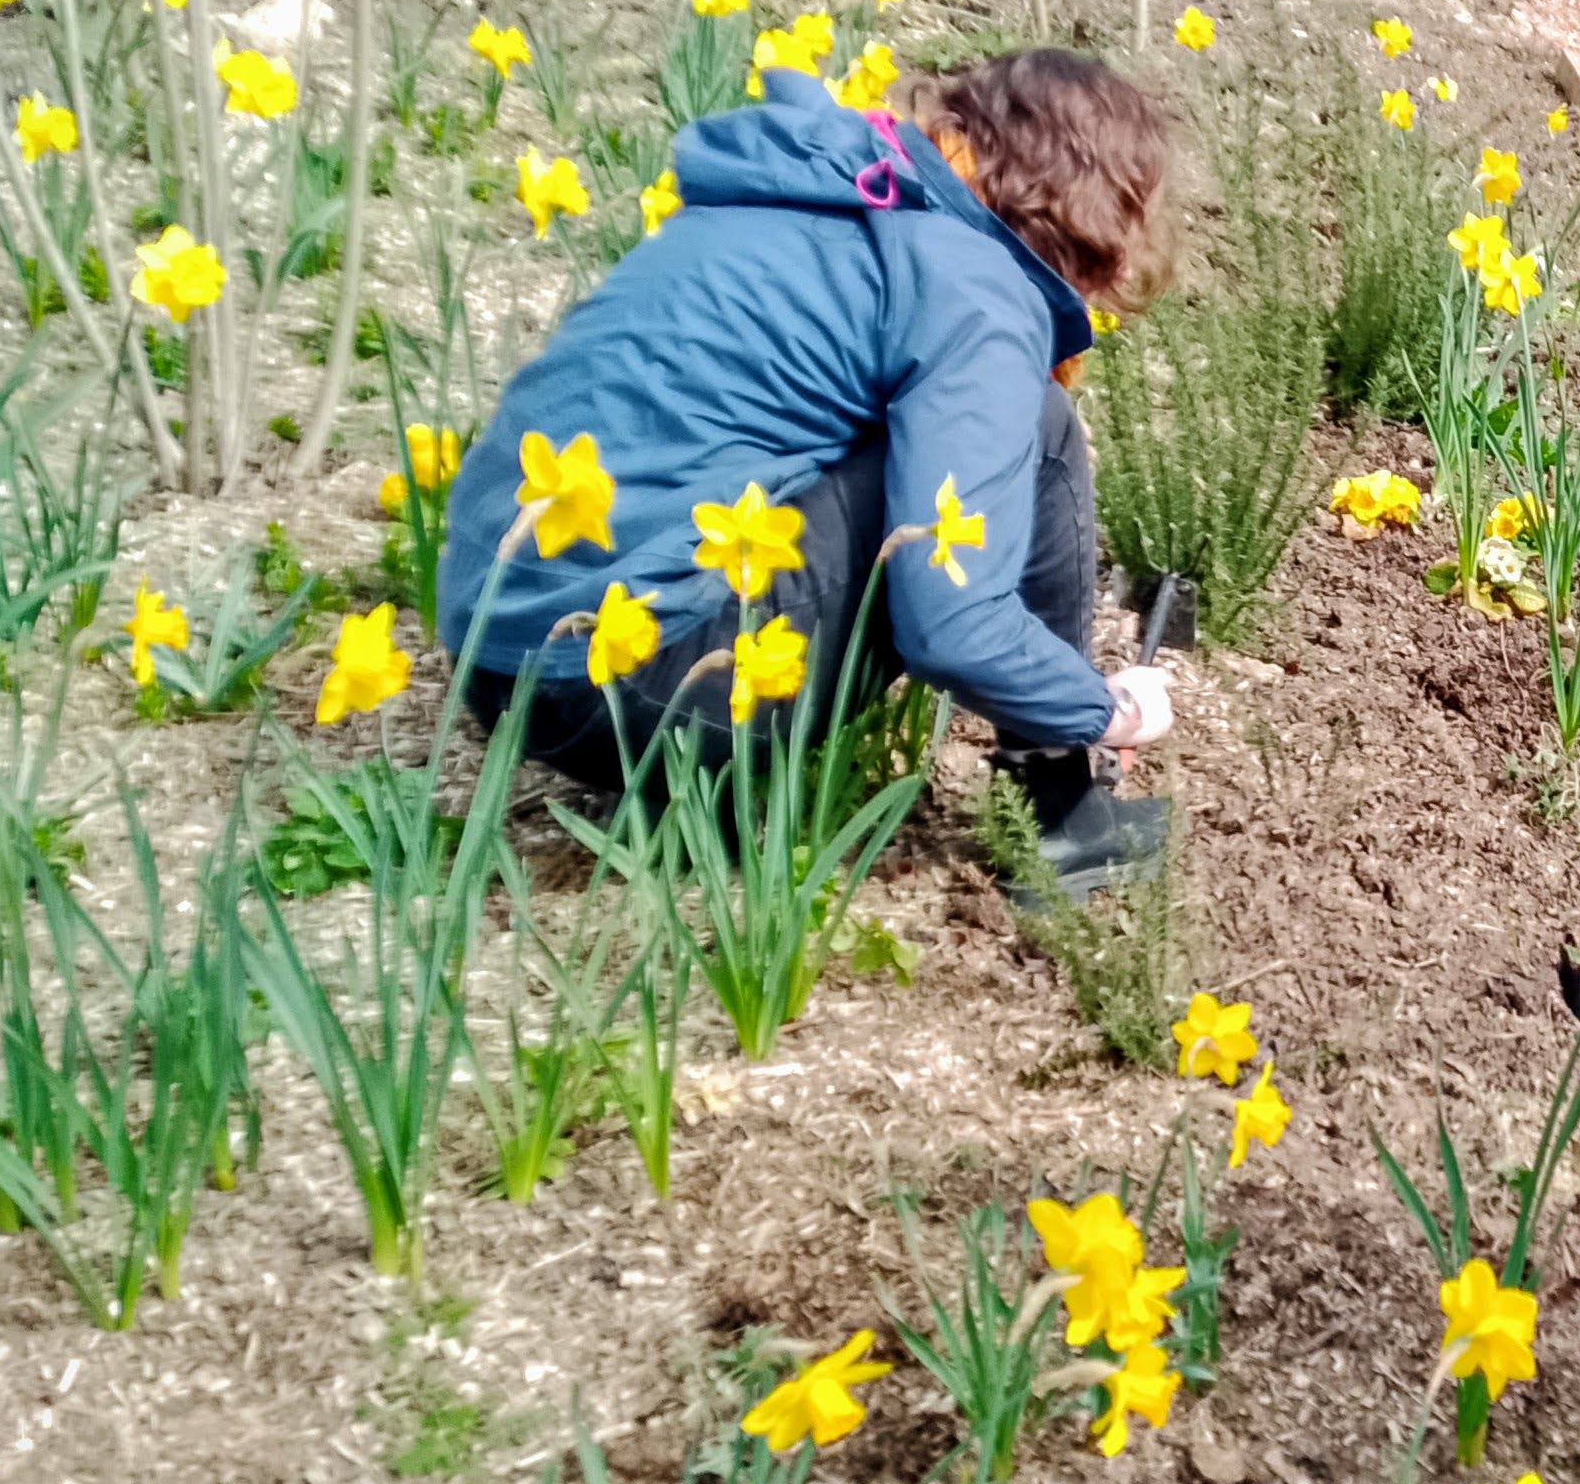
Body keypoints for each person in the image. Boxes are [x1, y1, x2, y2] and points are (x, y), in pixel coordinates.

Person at [437, 48, 1179, 889]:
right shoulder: (973, 285)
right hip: (632, 683)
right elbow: (952, 625)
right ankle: (1063, 817)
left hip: (493, 659)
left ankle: (694, 801)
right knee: (1039, 429)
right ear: (1095, 212)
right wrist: (1102, 708)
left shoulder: (822, 191)